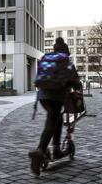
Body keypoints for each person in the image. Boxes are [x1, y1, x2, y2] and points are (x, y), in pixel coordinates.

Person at [29, 37, 82, 176]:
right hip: (57, 97)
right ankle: (40, 150)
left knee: (56, 119)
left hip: (42, 96)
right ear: (66, 51)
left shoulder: (46, 58)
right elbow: (76, 82)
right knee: (52, 122)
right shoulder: (66, 61)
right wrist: (75, 86)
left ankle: (56, 148)